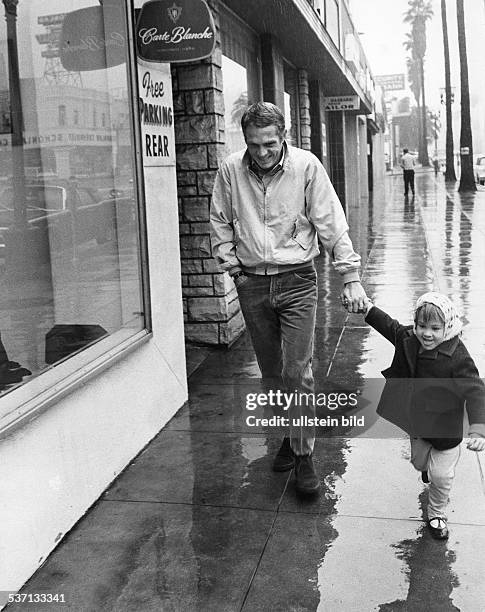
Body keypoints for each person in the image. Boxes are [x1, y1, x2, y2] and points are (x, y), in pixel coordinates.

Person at [210, 102, 367, 496]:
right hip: (253, 285)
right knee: (273, 375)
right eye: (253, 144)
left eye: (269, 143)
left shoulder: (306, 166)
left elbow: (331, 221)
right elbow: (219, 220)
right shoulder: (231, 169)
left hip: (298, 280)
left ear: (284, 136)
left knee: (298, 373)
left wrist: (350, 276)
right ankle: (290, 436)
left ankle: (304, 456)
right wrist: (235, 270)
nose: (261, 152)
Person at [360, 292, 485, 539]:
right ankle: (427, 469)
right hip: (417, 422)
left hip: (446, 428)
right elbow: (390, 326)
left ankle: (437, 513)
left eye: (435, 328)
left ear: (447, 327)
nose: (427, 333)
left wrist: (478, 428)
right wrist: (367, 309)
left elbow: (475, 390)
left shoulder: (457, 356)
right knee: (419, 463)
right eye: (421, 326)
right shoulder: (411, 339)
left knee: (441, 475)